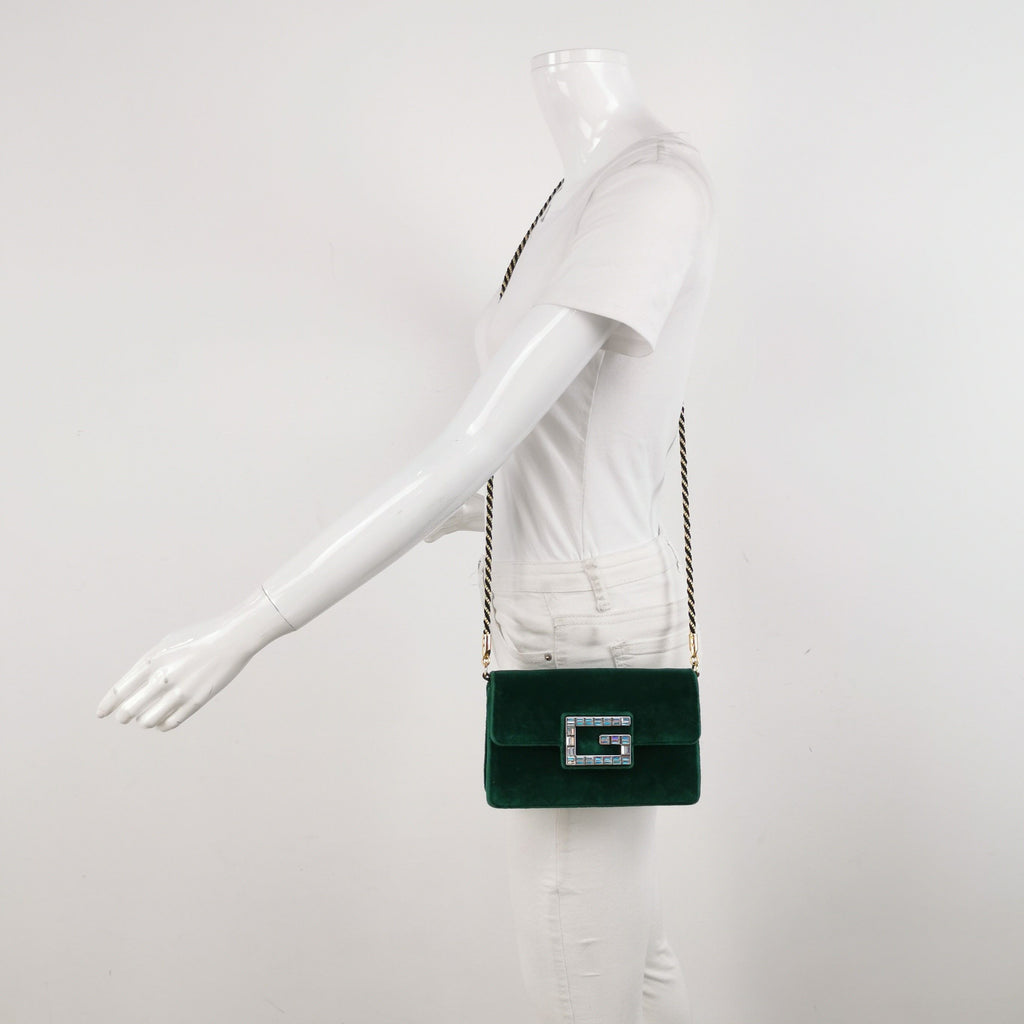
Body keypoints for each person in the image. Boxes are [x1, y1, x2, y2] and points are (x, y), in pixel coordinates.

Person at [97, 47, 718, 1024]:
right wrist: (470, 511)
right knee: (627, 954)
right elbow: (562, 439)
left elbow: (473, 446)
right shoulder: (583, 189)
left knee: (580, 969)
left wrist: (248, 624)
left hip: (581, 621)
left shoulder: (650, 189)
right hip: (567, 598)